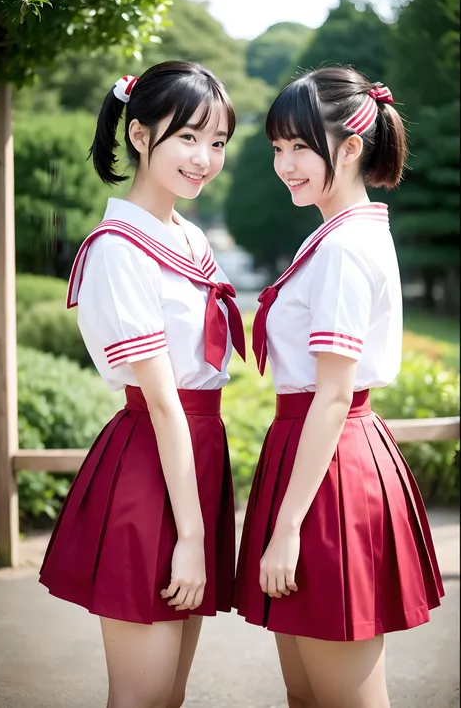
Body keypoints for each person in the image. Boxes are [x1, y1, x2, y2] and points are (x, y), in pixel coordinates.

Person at [233, 66, 444, 708]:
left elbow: (331, 394)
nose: (285, 164)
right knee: (309, 694)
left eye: (301, 146)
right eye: (277, 148)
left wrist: (288, 528)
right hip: (316, 456)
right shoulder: (337, 236)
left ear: (351, 148)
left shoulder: (346, 248)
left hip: (328, 467)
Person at [39, 60, 245, 708]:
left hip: (196, 458)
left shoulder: (185, 236)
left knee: (169, 697)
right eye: (188, 137)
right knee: (141, 699)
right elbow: (161, 399)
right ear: (138, 133)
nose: (204, 158)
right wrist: (189, 537)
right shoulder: (119, 248)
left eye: (217, 142)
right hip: (152, 465)